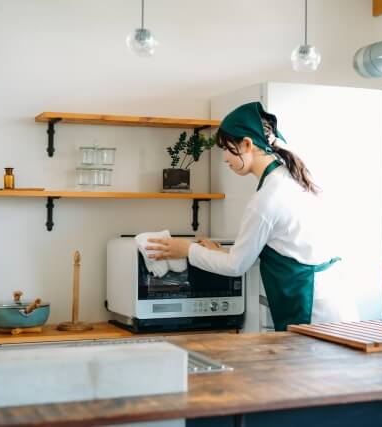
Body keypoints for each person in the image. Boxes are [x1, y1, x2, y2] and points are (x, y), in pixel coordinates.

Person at [147, 102, 359, 331]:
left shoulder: (267, 199)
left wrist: (187, 250)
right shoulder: (291, 177)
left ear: (247, 144)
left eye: (227, 148)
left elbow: (235, 267)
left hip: (313, 311)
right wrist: (221, 252)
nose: (225, 158)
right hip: (334, 301)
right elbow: (286, 245)